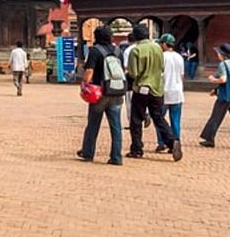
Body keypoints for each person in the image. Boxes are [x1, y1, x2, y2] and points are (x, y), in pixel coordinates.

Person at [126, 25, 182, 161]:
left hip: (142, 89)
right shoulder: (158, 49)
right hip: (157, 89)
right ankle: (171, 141)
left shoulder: (136, 50)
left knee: (136, 119)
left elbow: (133, 73)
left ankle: (137, 149)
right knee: (158, 117)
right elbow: (161, 67)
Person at [76, 25, 123, 165]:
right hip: (116, 91)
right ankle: (116, 157)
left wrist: (84, 85)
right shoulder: (118, 51)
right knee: (116, 127)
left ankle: (88, 152)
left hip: (99, 93)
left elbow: (89, 72)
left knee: (93, 124)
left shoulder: (95, 51)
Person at [154, 33, 184, 153]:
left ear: (165, 44)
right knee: (175, 120)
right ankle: (176, 141)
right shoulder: (179, 57)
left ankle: (163, 142)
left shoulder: (162, 56)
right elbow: (182, 76)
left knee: (159, 119)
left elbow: (158, 75)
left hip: (164, 91)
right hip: (177, 91)